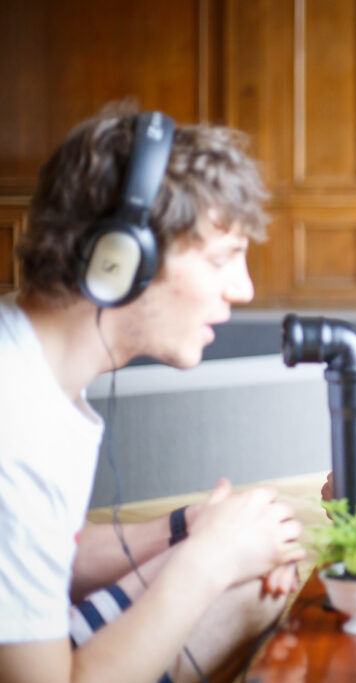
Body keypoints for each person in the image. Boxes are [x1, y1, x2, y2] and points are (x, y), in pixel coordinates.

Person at [0, 104, 305, 683]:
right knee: (232, 577)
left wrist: (186, 528)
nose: (244, 289)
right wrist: (208, 559)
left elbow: (49, 549)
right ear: (119, 262)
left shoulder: (32, 369)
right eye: (222, 260)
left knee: (249, 581)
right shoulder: (12, 422)